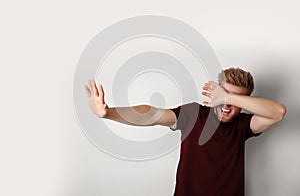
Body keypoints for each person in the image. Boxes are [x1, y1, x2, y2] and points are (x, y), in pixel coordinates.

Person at [84, 67, 286, 196]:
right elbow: (151, 114)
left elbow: (278, 112)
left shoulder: (243, 125)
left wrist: (226, 97)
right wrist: (108, 113)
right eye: (223, 95)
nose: (226, 105)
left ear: (243, 102)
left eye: (233, 100)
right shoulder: (193, 114)